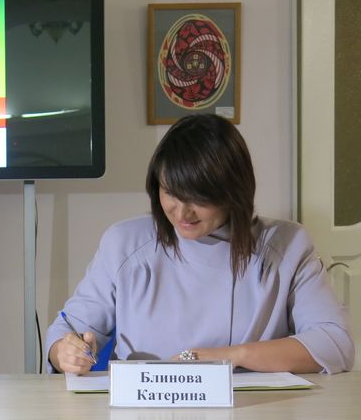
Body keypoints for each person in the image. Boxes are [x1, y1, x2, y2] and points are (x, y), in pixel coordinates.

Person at [45, 114, 354, 375]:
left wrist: (230, 356)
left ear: (233, 192)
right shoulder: (124, 243)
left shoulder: (286, 245)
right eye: (170, 193)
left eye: (198, 198)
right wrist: (65, 352)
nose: (182, 213)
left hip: (252, 415)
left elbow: (335, 344)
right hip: (144, 416)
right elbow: (65, 331)